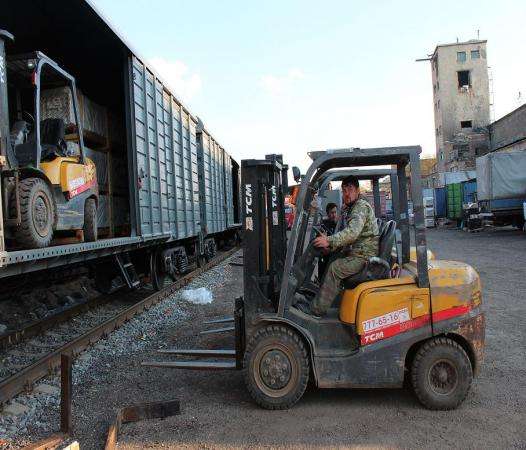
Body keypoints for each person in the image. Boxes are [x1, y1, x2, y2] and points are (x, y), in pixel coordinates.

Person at [298, 175, 379, 317]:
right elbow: (348, 233)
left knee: (335, 268)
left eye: (350, 189)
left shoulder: (360, 207)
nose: (346, 193)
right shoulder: (353, 207)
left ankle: (316, 311)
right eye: (344, 190)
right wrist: (330, 246)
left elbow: (352, 233)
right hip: (357, 251)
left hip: (363, 256)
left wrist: (329, 241)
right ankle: (321, 299)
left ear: (358, 190)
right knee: (332, 257)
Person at [317, 203, 338, 279]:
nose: (334, 215)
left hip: (335, 254)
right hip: (326, 254)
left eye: (335, 212)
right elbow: (319, 239)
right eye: (332, 213)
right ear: (327, 214)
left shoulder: (339, 224)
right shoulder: (324, 225)